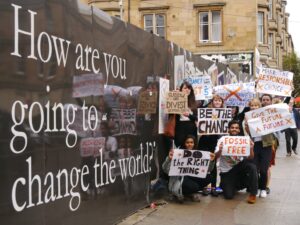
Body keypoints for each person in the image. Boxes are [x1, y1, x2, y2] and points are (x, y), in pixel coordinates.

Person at [162, 135, 215, 203]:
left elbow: (208, 170)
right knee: (194, 186)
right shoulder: (177, 153)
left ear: (194, 143)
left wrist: (212, 161)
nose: (189, 144)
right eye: (187, 142)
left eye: (191, 142)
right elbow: (165, 169)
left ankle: (189, 193)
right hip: (180, 179)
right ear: (184, 143)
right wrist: (169, 159)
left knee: (208, 177)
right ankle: (181, 193)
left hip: (191, 177)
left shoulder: (199, 154)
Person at [216, 120, 257, 204]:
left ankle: (253, 194)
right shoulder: (222, 140)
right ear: (229, 129)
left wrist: (251, 148)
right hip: (227, 172)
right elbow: (216, 157)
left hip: (239, 166)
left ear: (239, 130)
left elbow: (250, 157)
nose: (234, 129)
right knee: (228, 196)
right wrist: (220, 150)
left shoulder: (244, 140)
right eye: (232, 128)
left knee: (252, 166)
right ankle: (230, 185)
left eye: (236, 128)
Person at [245, 98, 274, 198]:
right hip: (254, 145)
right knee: (255, 169)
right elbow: (248, 132)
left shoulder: (265, 114)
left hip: (266, 145)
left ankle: (263, 188)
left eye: (256, 105)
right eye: (252, 105)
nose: (254, 107)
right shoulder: (247, 116)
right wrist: (247, 123)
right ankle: (256, 188)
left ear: (259, 106)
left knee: (264, 169)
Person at [197, 94, 224, 196]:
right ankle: (203, 186)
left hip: (215, 141)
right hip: (204, 140)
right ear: (212, 102)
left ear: (222, 103)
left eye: (219, 101)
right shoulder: (205, 110)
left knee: (213, 164)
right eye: (215, 100)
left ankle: (213, 187)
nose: (217, 102)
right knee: (203, 163)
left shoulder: (224, 114)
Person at [174, 81, 197, 148]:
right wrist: (174, 96)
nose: (187, 90)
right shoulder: (176, 99)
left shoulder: (194, 102)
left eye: (189, 88)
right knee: (181, 147)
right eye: (185, 88)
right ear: (181, 89)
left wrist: (189, 115)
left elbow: (197, 118)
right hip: (180, 127)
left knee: (191, 148)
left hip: (191, 127)